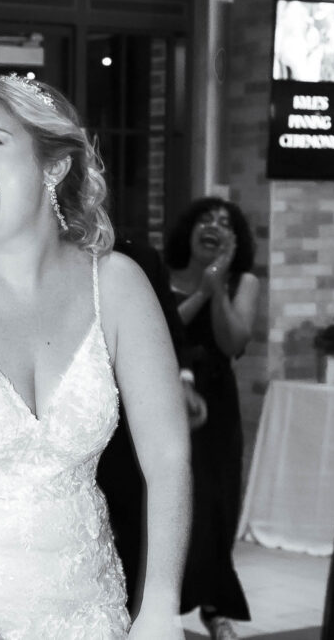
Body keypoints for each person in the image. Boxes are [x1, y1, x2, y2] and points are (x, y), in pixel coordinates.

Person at [0, 74, 192, 639]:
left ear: (54, 166)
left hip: (86, 602)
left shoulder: (117, 285)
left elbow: (167, 457)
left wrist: (161, 606)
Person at [97, 235, 206, 615]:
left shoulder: (136, 258)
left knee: (127, 523)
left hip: (126, 421)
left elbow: (171, 332)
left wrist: (184, 379)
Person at [166, 197, 258, 640]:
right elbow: (161, 331)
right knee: (175, 502)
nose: (213, 226)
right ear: (189, 228)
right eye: (205, 218)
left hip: (217, 404)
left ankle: (215, 606)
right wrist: (200, 290)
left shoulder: (245, 282)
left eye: (224, 223)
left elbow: (233, 341)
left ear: (234, 239)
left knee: (216, 505)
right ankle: (164, 603)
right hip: (165, 397)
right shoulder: (162, 276)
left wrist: (218, 286)